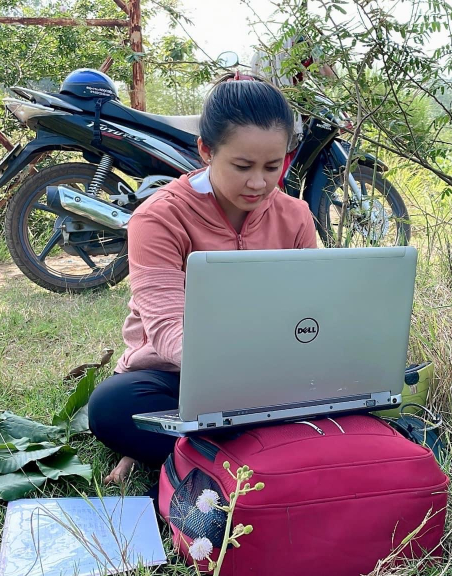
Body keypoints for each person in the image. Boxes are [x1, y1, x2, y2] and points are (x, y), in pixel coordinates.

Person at [88, 80, 318, 484]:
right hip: (177, 374)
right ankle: (272, 447)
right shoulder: (159, 218)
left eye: (272, 167)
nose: (258, 183)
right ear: (206, 151)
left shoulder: (295, 215)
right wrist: (232, 374)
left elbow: (310, 309)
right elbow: (165, 326)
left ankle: (200, 453)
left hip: (271, 372)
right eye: (242, 166)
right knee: (112, 406)